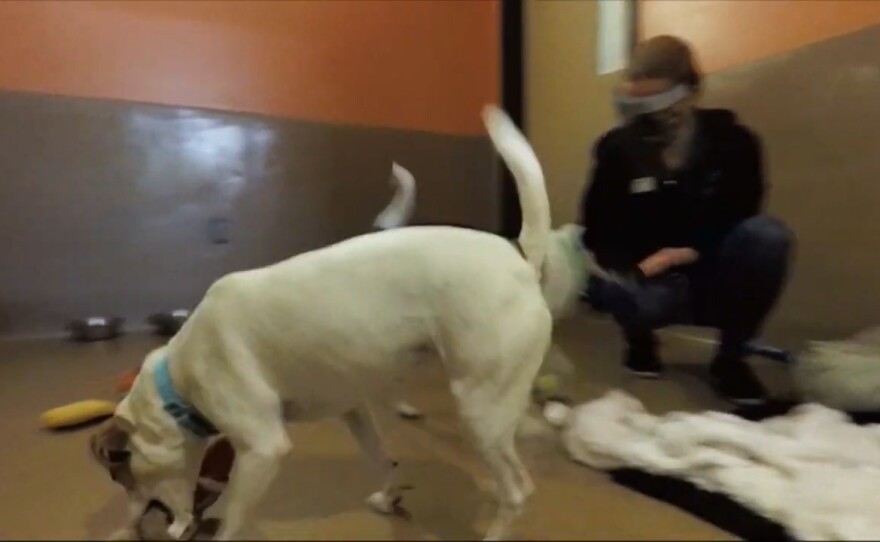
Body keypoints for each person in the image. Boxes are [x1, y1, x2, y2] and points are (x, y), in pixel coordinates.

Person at [579, 35, 794, 406]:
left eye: (662, 102)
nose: (651, 116)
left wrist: (685, 253)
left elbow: (742, 211)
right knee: (606, 283)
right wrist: (633, 268)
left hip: (709, 272)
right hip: (648, 281)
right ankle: (640, 340)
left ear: (691, 92)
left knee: (768, 238)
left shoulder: (735, 142)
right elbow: (595, 227)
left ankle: (731, 360)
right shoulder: (616, 149)